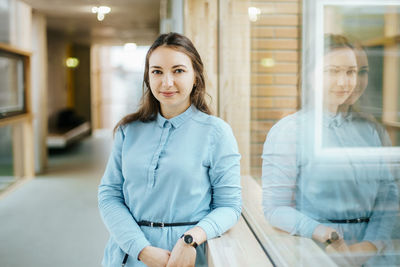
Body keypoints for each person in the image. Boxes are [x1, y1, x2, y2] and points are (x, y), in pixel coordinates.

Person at [98, 32, 241, 267]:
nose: (166, 82)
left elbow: (230, 206)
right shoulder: (128, 129)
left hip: (184, 256)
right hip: (128, 253)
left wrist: (190, 240)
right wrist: (141, 250)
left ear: (195, 76)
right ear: (147, 77)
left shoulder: (216, 132)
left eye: (178, 71)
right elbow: (109, 194)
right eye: (157, 71)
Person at [262, 34, 399, 266]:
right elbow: (275, 208)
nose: (344, 82)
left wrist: (370, 245)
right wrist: (324, 234)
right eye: (332, 71)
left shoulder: (369, 130)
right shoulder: (288, 131)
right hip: (319, 251)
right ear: (310, 75)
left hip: (376, 254)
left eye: (351, 72)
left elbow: (389, 195)